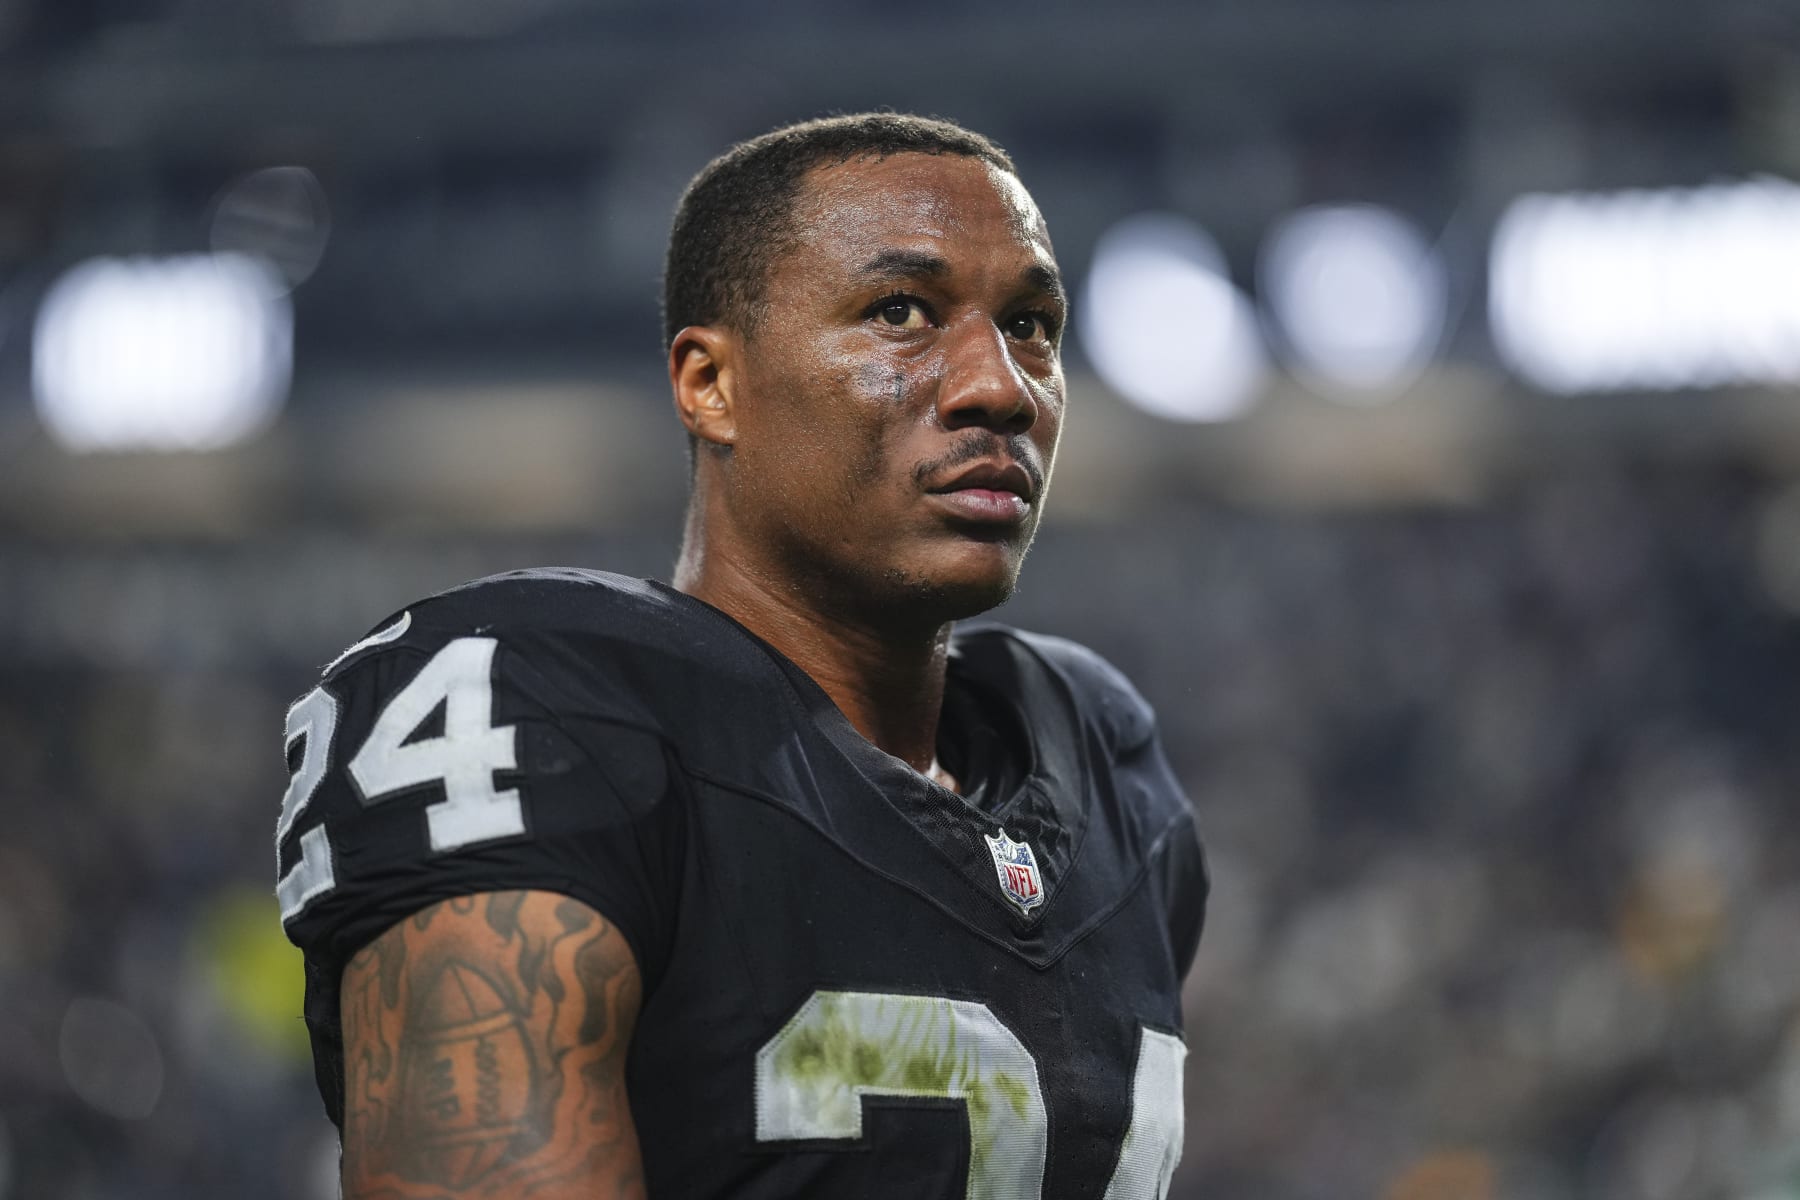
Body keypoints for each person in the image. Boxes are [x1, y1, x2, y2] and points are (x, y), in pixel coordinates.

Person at [276, 112, 1207, 1199]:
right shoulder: (540, 707)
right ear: (711, 384)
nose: (999, 386)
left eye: (1033, 324)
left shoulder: (1106, 768)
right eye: (900, 313)